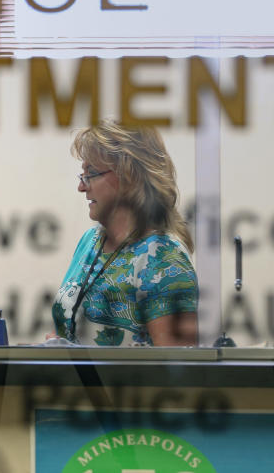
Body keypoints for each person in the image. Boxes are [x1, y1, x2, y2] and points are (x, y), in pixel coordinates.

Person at [52, 120, 198, 347]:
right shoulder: (90, 241)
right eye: (82, 175)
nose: (82, 186)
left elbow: (177, 370)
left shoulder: (164, 256)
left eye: (91, 173)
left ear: (130, 175)